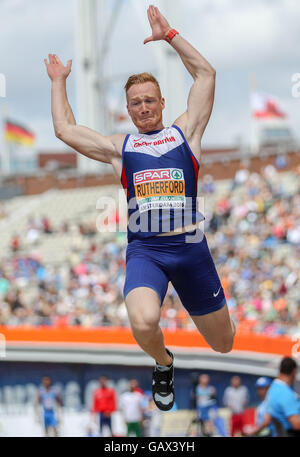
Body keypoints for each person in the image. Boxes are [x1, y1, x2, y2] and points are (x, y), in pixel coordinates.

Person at [45, 4, 236, 412]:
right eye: (136, 103)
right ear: (128, 110)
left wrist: (171, 36)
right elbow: (64, 129)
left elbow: (206, 75)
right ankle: (163, 363)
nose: (144, 107)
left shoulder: (187, 134)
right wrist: (59, 81)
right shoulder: (121, 148)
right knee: (145, 321)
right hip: (146, 251)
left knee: (224, 344)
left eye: (150, 100)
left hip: (190, 248)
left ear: (162, 102)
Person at [264, 357, 300, 436]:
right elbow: (296, 424)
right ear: (294, 372)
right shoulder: (286, 394)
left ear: (280, 369)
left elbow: (267, 417)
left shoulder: (273, 388)